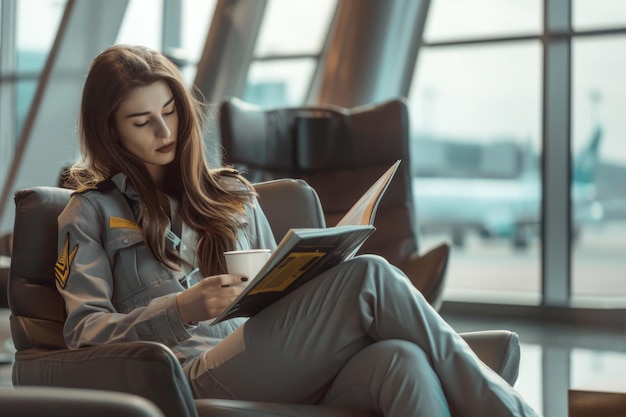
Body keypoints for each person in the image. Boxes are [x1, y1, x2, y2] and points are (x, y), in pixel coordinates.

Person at [55, 44, 541, 417]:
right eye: (142, 122)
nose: (165, 133)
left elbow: (272, 296)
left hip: (269, 355)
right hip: (190, 374)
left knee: (401, 362)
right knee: (369, 276)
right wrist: (180, 308)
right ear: (110, 131)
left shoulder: (235, 196)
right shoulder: (90, 214)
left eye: (171, 113)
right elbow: (84, 333)